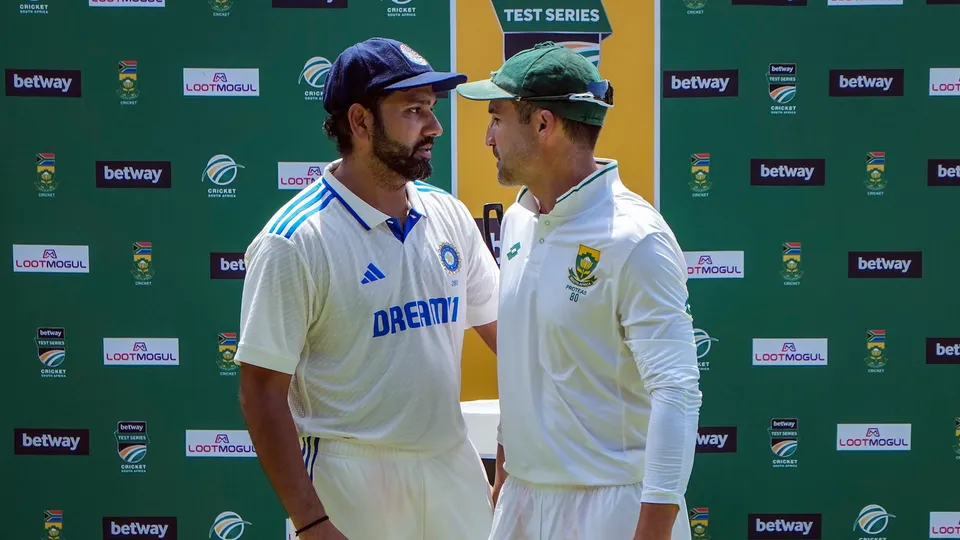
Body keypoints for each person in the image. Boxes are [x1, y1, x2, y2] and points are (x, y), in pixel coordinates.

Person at [235, 37, 500, 540]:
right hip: (349, 479)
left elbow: (507, 337)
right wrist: (311, 520)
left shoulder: (449, 214)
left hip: (451, 466)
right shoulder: (293, 240)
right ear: (359, 122)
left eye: (432, 109)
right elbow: (261, 391)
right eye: (414, 110)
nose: (434, 127)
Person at [454, 42, 703, 540]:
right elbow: (526, 365)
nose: (487, 137)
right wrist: (505, 476)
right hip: (522, 502)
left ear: (544, 125)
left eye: (497, 118)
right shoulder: (521, 219)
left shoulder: (637, 238)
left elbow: (676, 393)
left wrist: (652, 531)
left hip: (612, 510)